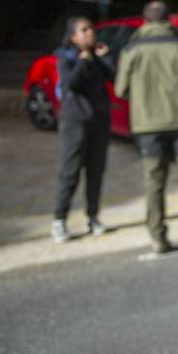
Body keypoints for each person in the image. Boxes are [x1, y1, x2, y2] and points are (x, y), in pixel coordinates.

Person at [115, 1, 178, 254]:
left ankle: (158, 238)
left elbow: (120, 90)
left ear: (145, 21)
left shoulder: (132, 49)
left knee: (154, 180)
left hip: (147, 124)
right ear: (169, 20)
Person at [51, 16, 114, 243]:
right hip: (75, 123)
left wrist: (105, 58)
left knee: (96, 171)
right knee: (70, 172)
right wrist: (83, 61)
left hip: (99, 122)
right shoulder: (65, 57)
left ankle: (93, 216)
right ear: (73, 36)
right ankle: (60, 219)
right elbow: (70, 84)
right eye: (84, 30)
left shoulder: (96, 57)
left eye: (91, 29)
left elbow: (113, 77)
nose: (90, 33)